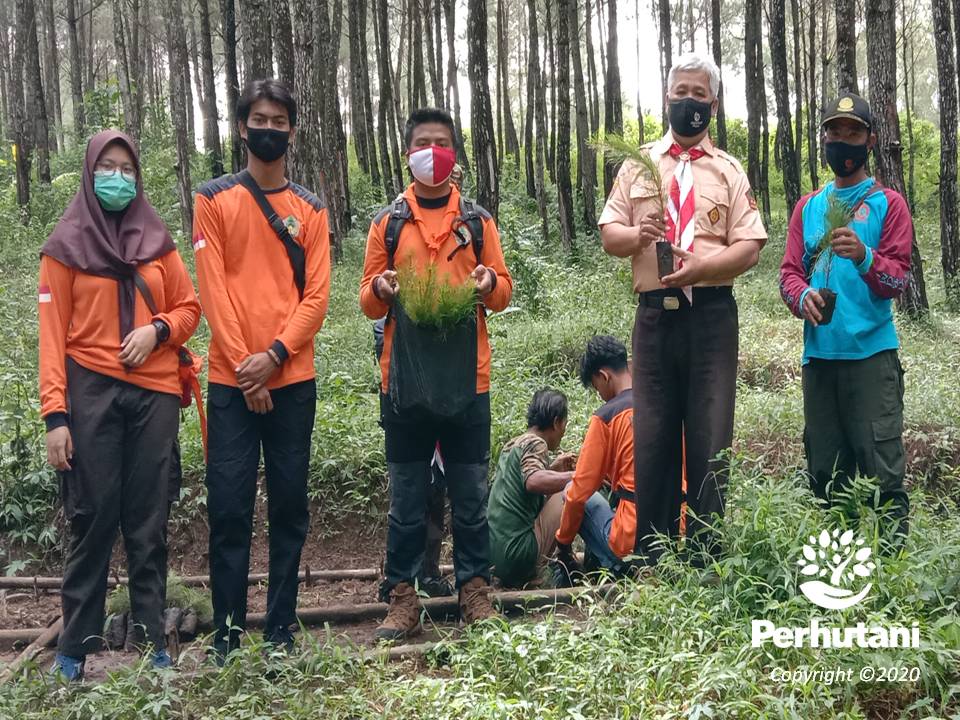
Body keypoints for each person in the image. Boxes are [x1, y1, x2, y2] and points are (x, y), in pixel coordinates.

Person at [39, 130, 202, 680]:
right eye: (106, 167)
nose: (117, 177)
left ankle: (155, 643)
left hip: (154, 392)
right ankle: (74, 651)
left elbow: (188, 308)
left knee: (148, 520)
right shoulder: (64, 246)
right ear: (89, 173)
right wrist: (55, 416)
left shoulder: (158, 240)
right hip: (91, 392)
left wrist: (157, 330)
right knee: (91, 516)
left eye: (126, 169)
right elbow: (50, 336)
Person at [598, 52, 767, 566]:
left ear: (712, 104)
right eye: (681, 93)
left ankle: (706, 555)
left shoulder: (729, 171)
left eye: (699, 95)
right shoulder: (639, 164)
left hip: (712, 318)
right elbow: (610, 233)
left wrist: (704, 269)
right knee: (653, 433)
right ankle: (654, 555)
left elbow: (751, 245)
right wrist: (637, 235)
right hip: (654, 319)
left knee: (711, 433)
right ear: (666, 97)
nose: (688, 102)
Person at [360, 107, 513, 641]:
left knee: (470, 492)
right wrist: (380, 290)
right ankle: (402, 596)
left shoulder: (477, 221)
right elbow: (367, 301)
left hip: (469, 380)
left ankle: (474, 589)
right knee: (406, 496)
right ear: (408, 153)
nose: (433, 151)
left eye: (442, 142)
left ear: (454, 153)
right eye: (423, 142)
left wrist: (489, 279)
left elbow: (503, 291)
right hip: (402, 382)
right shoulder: (389, 222)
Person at [193, 79, 331, 661]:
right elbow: (214, 289)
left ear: (291, 131)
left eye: (279, 120)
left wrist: (272, 359)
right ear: (242, 127)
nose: (268, 128)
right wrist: (243, 368)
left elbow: (317, 296)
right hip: (230, 385)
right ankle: (226, 633)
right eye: (259, 119)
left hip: (292, 382)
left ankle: (280, 629)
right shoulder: (213, 199)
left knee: (289, 505)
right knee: (228, 509)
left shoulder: (312, 210)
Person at [779, 93, 912, 547]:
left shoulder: (888, 205)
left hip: (871, 357)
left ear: (870, 141)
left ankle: (892, 571)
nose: (842, 141)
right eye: (834, 132)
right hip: (819, 359)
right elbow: (789, 273)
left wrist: (865, 256)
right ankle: (839, 569)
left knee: (882, 465)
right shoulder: (808, 207)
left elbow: (899, 283)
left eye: (852, 132)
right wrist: (803, 299)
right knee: (826, 470)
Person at [556, 336, 636, 573]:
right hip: (678, 535)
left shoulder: (607, 416)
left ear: (604, 376)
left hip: (633, 541)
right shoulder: (663, 404)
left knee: (571, 491)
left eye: (596, 386)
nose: (600, 393)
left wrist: (562, 543)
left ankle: (617, 566)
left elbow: (579, 493)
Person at [488, 389, 577, 588]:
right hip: (517, 555)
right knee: (573, 490)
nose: (563, 430)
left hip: (497, 557)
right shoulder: (537, 443)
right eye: (564, 424)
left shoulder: (514, 444)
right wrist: (580, 477)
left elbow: (522, 486)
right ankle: (559, 564)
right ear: (556, 422)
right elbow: (533, 481)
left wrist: (553, 469)